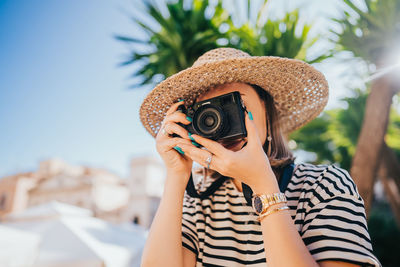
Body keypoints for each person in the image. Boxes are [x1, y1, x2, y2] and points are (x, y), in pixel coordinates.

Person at [139, 48, 382, 267]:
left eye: (235, 105)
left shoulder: (325, 186)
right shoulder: (197, 203)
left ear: (267, 111)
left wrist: (264, 186)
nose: (221, 124)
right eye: (210, 114)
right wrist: (176, 176)